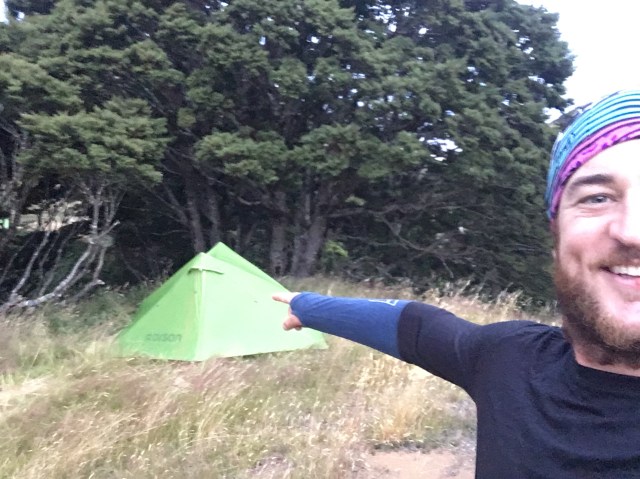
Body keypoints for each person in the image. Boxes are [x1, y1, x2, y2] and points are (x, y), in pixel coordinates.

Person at [273, 90, 640, 478]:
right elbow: (418, 328)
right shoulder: (508, 361)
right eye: (598, 198)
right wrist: (308, 306)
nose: (633, 231)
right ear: (557, 240)